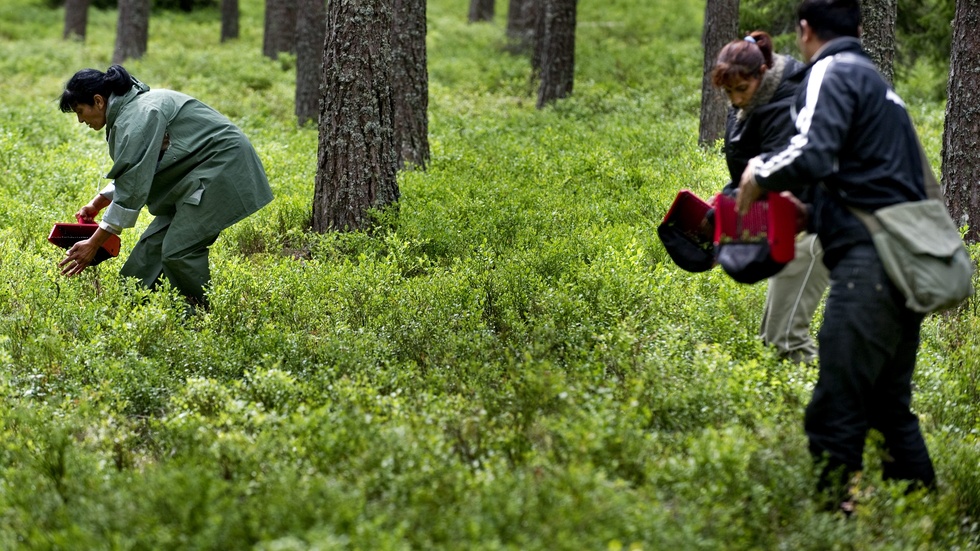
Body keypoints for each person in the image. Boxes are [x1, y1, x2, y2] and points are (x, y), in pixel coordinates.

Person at [736, 0, 936, 512]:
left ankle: (832, 519)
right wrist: (815, 214)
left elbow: (816, 151)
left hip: (868, 265)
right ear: (861, 27)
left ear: (804, 31)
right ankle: (921, 516)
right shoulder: (875, 82)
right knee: (890, 407)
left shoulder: (830, 69)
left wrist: (760, 172)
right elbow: (876, 177)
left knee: (836, 401)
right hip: (904, 263)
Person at [58, 65, 273, 310]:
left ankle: (199, 318)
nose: (80, 120)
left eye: (80, 111)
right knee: (149, 252)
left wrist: (94, 243)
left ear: (98, 101)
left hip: (222, 169)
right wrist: (99, 202)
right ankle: (129, 313)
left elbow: (133, 188)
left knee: (178, 251)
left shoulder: (137, 117)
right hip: (194, 176)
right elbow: (139, 169)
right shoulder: (133, 112)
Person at [711, 31, 830, 364]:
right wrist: (726, 198)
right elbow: (751, 171)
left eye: (741, 89)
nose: (735, 99)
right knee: (772, 337)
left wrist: (729, 203)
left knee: (786, 338)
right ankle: (791, 407)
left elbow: (780, 173)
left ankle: (830, 408)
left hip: (813, 223)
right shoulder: (753, 101)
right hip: (788, 225)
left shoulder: (786, 102)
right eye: (729, 91)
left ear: (761, 74)